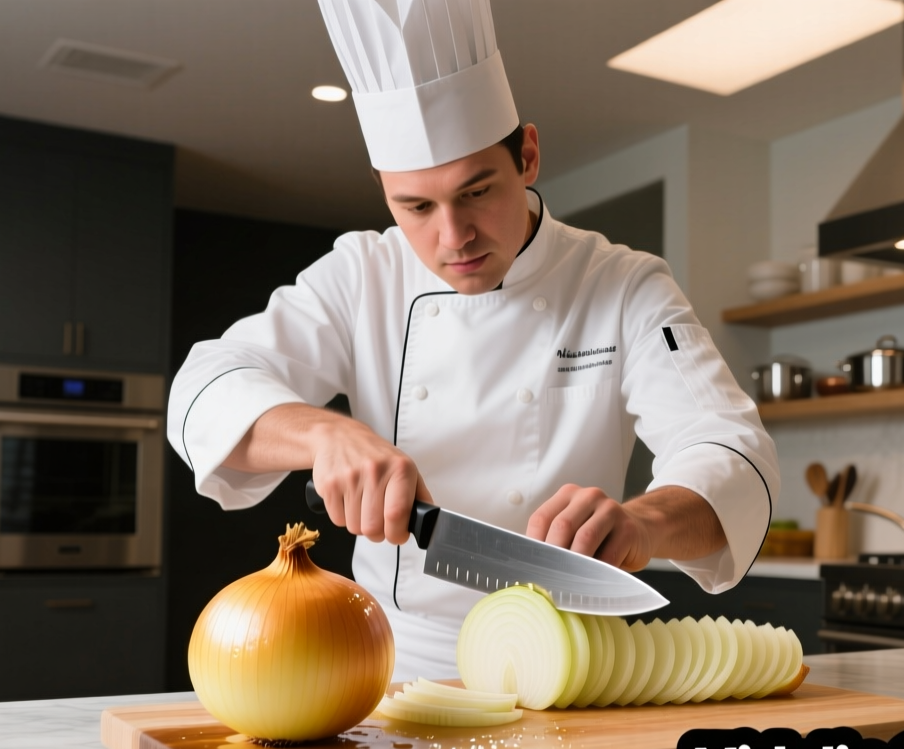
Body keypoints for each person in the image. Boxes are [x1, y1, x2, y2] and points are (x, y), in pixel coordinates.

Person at [168, 0, 778, 681]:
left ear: (529, 156)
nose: (452, 237)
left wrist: (646, 524)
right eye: (417, 207)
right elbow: (205, 385)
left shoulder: (623, 285)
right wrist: (322, 436)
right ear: (383, 192)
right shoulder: (361, 273)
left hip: (565, 664)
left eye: (478, 191)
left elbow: (729, 446)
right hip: (389, 665)